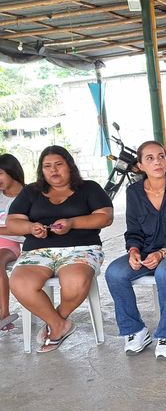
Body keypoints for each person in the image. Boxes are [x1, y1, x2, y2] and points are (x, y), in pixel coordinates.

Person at [7, 146, 113, 353]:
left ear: (70, 166)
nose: (53, 170)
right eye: (47, 166)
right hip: (37, 251)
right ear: (41, 170)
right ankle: (59, 325)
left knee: (76, 282)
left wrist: (72, 223)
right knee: (20, 283)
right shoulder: (31, 191)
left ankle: (57, 320)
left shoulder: (89, 188)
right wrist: (30, 227)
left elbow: (105, 217)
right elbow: (13, 222)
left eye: (58, 164)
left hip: (81, 248)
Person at [105, 141, 166, 360]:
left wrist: (163, 253)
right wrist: (133, 250)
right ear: (140, 165)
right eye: (150, 158)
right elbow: (133, 230)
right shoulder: (134, 192)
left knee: (165, 272)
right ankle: (136, 330)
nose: (157, 161)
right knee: (115, 273)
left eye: (161, 156)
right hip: (147, 250)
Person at [0, 154, 25, 331]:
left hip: (9, 244)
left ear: (12, 171)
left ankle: (4, 314)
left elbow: (22, 231)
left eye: (0, 173)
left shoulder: (29, 196)